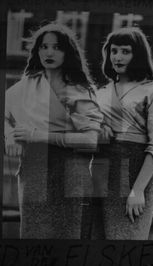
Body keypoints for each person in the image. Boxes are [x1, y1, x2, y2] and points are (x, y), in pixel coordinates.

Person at [4, 23, 103, 239]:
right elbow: (4, 112)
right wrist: (10, 135)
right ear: (37, 51)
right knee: (32, 239)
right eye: (44, 47)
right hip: (33, 171)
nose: (49, 52)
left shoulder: (79, 90)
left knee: (66, 239)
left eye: (57, 47)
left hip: (70, 173)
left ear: (68, 53)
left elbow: (91, 140)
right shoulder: (27, 85)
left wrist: (38, 135)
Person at [95, 26, 153, 240]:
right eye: (114, 51)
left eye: (125, 51)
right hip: (102, 174)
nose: (117, 57)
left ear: (137, 55)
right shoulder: (100, 92)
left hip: (135, 172)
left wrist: (138, 189)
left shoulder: (151, 91)